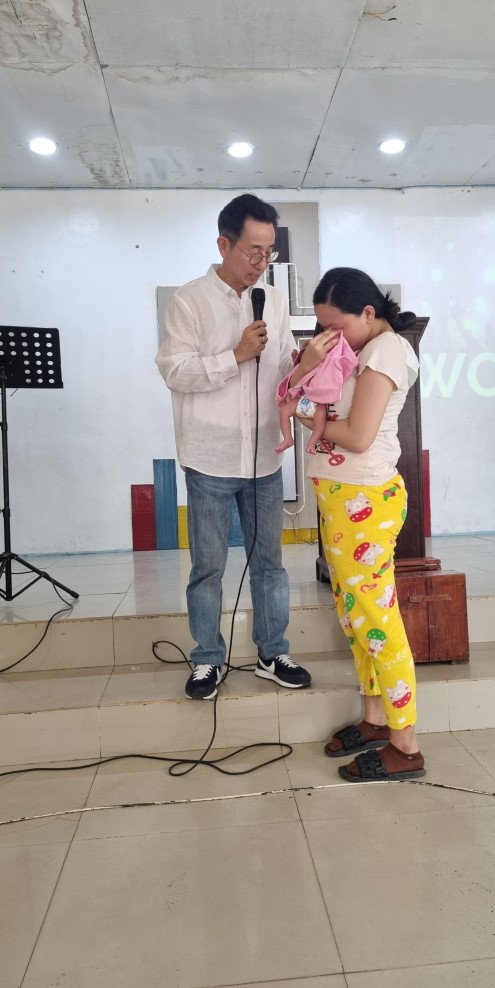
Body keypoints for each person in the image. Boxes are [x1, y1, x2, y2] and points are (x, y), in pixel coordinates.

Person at [155, 194, 311, 700]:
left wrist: (304, 364)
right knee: (208, 568)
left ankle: (272, 651)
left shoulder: (275, 300)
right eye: (252, 251)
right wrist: (235, 355)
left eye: (269, 253)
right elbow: (175, 371)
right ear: (223, 244)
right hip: (210, 457)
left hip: (264, 455)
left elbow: (283, 366)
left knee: (270, 564)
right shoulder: (189, 301)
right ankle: (207, 658)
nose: (261, 263)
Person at [290, 267, 426, 781]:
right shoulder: (362, 350)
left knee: (376, 620)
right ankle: (374, 719)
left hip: (363, 498)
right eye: (322, 327)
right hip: (341, 499)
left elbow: (357, 435)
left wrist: (305, 411)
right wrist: (308, 374)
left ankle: (405, 745)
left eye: (336, 326)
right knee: (355, 616)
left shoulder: (386, 351)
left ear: (368, 313)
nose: (329, 337)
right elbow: (319, 411)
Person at [274, 332, 358, 454]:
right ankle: (287, 438)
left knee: (320, 420)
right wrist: (298, 359)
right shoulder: (307, 361)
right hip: (304, 397)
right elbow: (295, 371)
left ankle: (312, 442)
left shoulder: (330, 366)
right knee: (284, 411)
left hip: (319, 400)